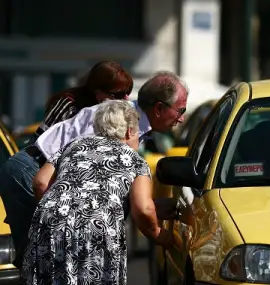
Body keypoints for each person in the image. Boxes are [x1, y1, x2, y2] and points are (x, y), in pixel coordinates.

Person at [21, 100, 175, 285]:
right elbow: (142, 208)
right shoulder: (134, 159)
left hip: (50, 220)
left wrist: (62, 210)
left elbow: (40, 182)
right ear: (129, 131)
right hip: (97, 226)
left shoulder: (73, 145)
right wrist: (160, 235)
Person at [0, 61, 133, 268]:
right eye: (119, 93)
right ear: (98, 91)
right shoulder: (70, 105)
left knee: (38, 253)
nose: (125, 99)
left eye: (128, 92)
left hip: (31, 169)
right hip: (30, 168)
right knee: (43, 253)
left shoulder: (96, 110)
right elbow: (51, 150)